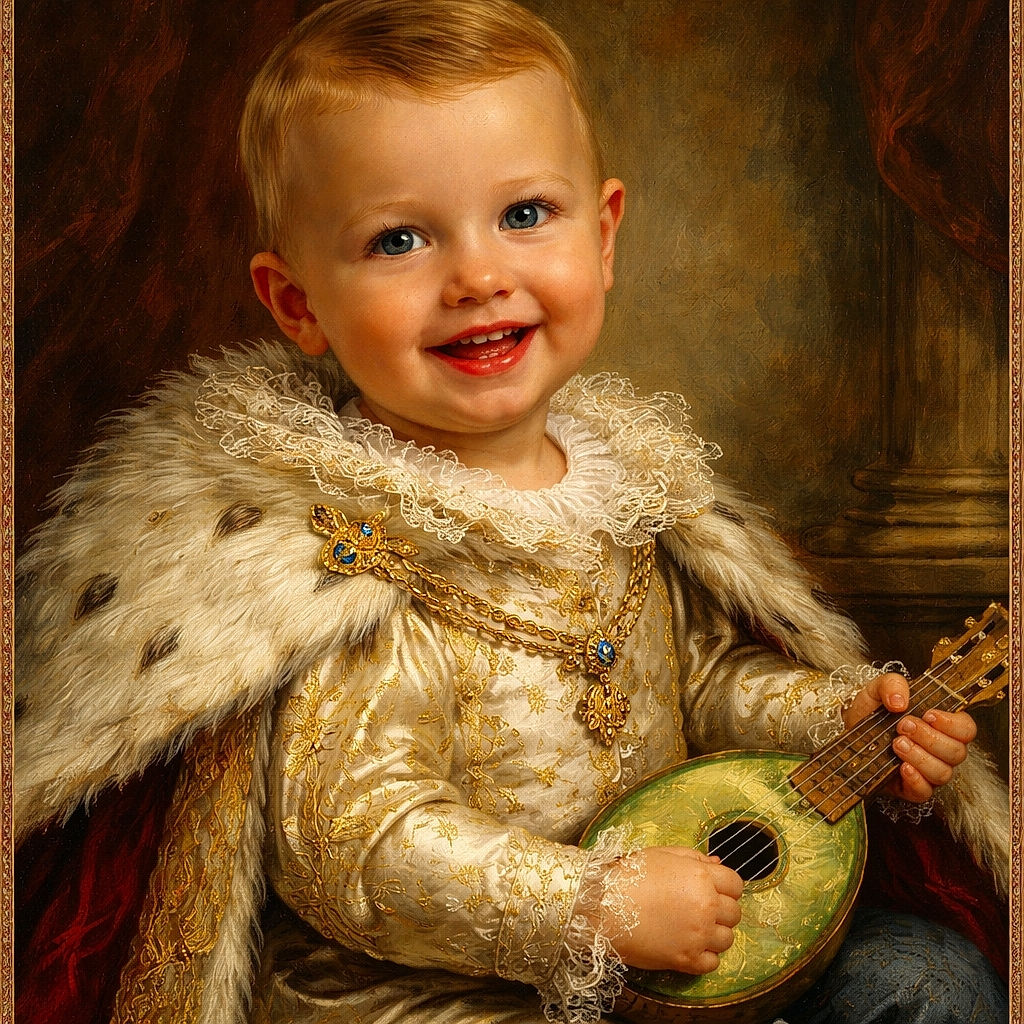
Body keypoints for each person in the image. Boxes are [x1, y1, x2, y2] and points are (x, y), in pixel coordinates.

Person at [14, 2, 1009, 1023]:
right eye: (400, 239)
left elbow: (703, 680)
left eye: (526, 215)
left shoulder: (631, 491)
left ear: (604, 235)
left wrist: (833, 719)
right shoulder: (339, 552)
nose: (479, 278)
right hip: (435, 992)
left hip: (677, 947)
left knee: (926, 982)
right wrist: (589, 905)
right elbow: (358, 843)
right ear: (299, 304)